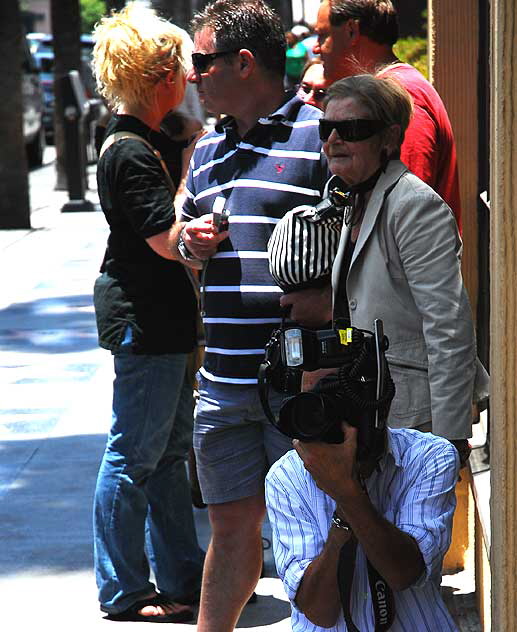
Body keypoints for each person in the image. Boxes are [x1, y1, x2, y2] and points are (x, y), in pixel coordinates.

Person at [171, 1, 328, 629]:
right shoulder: (208, 150)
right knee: (230, 532)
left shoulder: (321, 136)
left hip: (299, 386)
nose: (192, 77)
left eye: (202, 63)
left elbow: (365, 246)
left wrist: (324, 297)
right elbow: (187, 243)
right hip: (223, 386)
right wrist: (191, 244)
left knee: (314, 533)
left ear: (243, 62)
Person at [280, 74, 488, 461]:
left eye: (352, 129)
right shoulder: (354, 199)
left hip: (414, 425)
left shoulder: (414, 206)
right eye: (327, 128)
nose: (333, 140)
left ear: (389, 138)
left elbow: (449, 328)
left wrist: (447, 441)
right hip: (367, 414)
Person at [91, 3, 204, 623]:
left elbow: (181, 133)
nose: (193, 77)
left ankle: (184, 579)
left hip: (162, 320)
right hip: (145, 319)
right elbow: (167, 239)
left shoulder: (146, 136)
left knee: (165, 456)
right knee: (134, 456)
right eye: (185, 68)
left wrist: (187, 135)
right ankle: (123, 590)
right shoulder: (129, 151)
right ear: (163, 75)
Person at [265, 420, 461, 631]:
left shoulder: (430, 456)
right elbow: (319, 612)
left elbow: (404, 574)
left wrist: (349, 494)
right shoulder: (286, 476)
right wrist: (343, 511)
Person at [313, 0, 463, 231]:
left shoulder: (402, 95)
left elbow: (410, 209)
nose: (316, 48)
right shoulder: (394, 90)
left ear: (352, 30)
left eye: (323, 35)